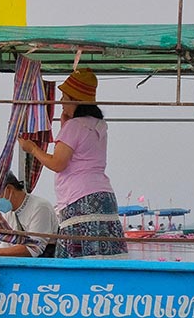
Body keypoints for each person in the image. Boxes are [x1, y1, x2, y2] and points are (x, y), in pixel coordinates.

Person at [19, 68, 126, 257]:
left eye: (64, 96)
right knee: (102, 255)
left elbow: (58, 163)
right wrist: (64, 126)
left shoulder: (75, 126)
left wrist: (33, 149)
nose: (60, 101)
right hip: (103, 196)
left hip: (80, 198)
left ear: (75, 99)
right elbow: (81, 152)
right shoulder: (98, 124)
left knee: (79, 256)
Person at [0, 169, 58, 258]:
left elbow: (34, 249)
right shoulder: (9, 213)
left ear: (9, 189)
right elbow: (5, 247)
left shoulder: (40, 207)